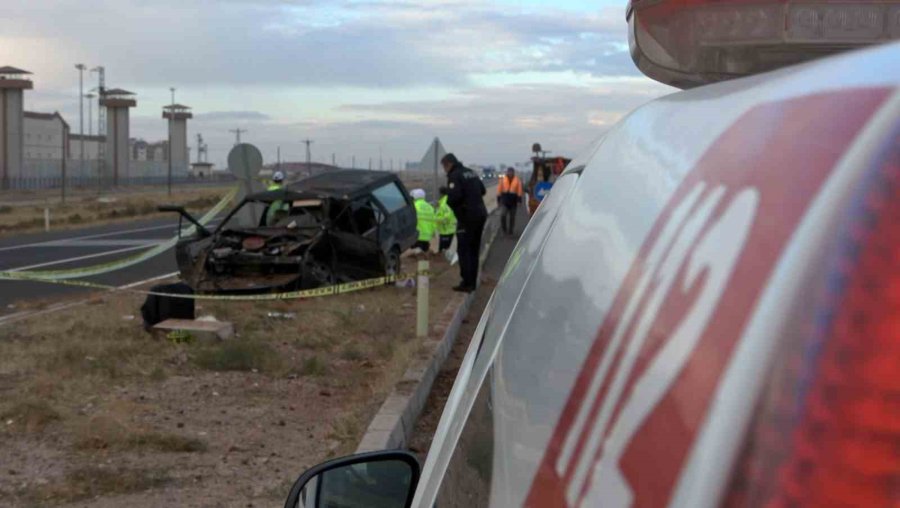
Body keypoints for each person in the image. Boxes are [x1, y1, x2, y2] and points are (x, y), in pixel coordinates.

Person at [442, 153, 487, 292]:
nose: (444, 170)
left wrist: (447, 193)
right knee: (473, 250)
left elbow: (454, 197)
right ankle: (472, 282)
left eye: (444, 167)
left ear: (448, 164)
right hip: (480, 214)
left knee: (464, 249)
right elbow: (483, 190)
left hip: (467, 217)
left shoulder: (454, 175)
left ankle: (466, 282)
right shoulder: (470, 172)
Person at [497, 167, 523, 235]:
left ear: (513, 172)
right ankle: (504, 229)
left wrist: (519, 201)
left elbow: (519, 191)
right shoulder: (502, 180)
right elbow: (499, 191)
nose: (510, 173)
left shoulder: (517, 180)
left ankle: (510, 230)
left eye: (511, 172)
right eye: (509, 172)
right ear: (507, 172)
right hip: (505, 201)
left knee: (512, 217)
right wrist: (499, 201)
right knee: (503, 215)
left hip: (513, 202)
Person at [411, 188, 436, 253]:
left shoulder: (414, 206)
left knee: (415, 258)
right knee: (424, 257)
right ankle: (424, 263)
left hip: (416, 236)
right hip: (427, 237)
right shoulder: (430, 207)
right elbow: (434, 223)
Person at [435, 186, 457, 254]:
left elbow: (447, 217)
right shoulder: (443, 202)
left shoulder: (445, 203)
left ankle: (445, 264)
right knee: (444, 251)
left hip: (446, 230)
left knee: (442, 252)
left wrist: (436, 219)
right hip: (446, 230)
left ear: (441, 194)